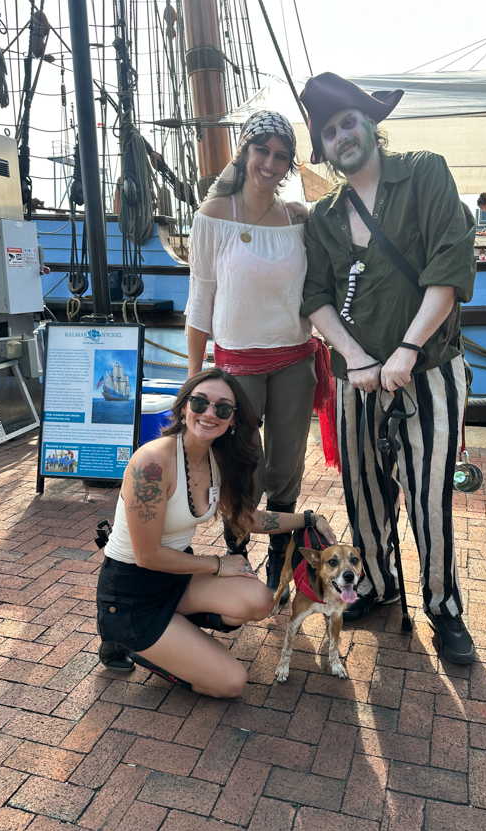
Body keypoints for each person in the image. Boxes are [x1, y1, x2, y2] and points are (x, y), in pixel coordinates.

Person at [299, 72, 476, 665]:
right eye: (329, 132)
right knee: (364, 493)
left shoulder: (424, 173)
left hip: (428, 373)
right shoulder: (324, 217)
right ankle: (375, 583)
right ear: (324, 148)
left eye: (348, 121)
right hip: (356, 382)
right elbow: (315, 295)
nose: (342, 136)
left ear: (371, 123)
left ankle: (444, 607)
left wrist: (407, 349)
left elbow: (450, 265)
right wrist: (355, 358)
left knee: (429, 499)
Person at [96, 367, 336, 698]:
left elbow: (249, 520)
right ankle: (127, 639)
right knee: (231, 683)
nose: (210, 413)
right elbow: (147, 556)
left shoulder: (217, 460)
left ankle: (172, 631)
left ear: (233, 419)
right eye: (200, 403)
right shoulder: (152, 464)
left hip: (175, 578)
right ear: (183, 407)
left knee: (260, 601)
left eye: (222, 408)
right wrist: (219, 564)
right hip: (130, 593)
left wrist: (309, 518)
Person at [186, 110, 318, 603]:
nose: (270, 163)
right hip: (237, 362)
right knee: (243, 465)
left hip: (294, 358)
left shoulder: (298, 219)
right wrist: (195, 377)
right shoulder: (214, 214)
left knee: (287, 465)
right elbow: (200, 300)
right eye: (262, 150)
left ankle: (279, 555)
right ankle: (236, 552)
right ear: (244, 152)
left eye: (281, 155)